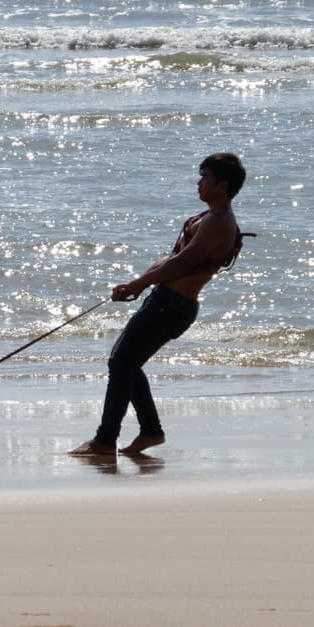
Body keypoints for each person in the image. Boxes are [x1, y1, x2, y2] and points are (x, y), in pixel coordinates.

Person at [69, 152, 249, 458]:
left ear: (223, 184)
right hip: (164, 300)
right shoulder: (205, 218)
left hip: (173, 306)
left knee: (121, 363)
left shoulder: (219, 223)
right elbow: (172, 259)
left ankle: (105, 441)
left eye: (205, 176)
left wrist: (139, 284)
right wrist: (139, 283)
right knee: (125, 363)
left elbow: (183, 262)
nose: (199, 182)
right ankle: (150, 431)